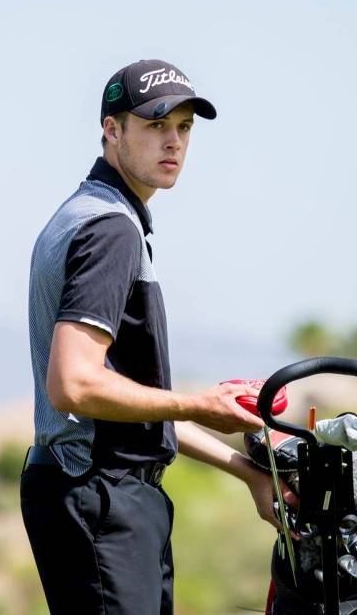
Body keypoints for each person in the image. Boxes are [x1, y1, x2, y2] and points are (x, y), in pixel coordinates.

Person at [21, 59, 297, 615]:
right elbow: (73, 384)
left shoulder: (92, 215)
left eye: (184, 128)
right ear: (111, 130)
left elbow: (129, 402)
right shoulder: (109, 229)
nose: (173, 142)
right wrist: (199, 403)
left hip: (107, 496)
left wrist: (245, 472)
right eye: (154, 125)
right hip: (101, 498)